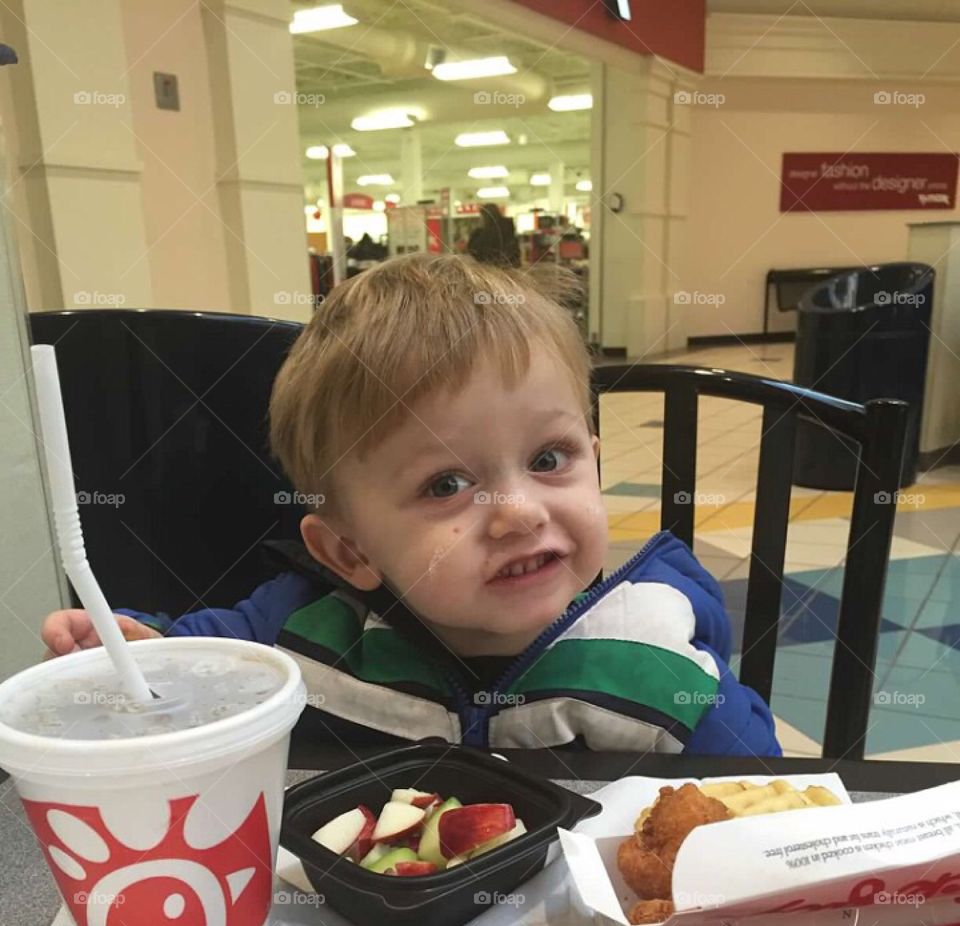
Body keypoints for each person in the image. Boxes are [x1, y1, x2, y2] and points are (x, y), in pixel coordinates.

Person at [40, 253, 780, 755]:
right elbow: (206, 658)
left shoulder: (652, 658)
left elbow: (763, 797)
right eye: (445, 485)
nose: (518, 511)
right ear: (347, 551)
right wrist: (140, 646)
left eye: (549, 460)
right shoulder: (299, 627)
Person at [466, 203, 521, 268]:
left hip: (493, 269)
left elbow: (474, 250)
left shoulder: (488, 233)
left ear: (485, 217)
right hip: (508, 268)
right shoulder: (507, 229)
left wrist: (478, 230)